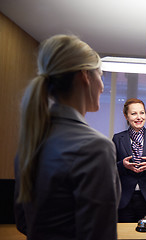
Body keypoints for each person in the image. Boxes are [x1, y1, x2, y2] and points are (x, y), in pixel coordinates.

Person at [13, 35, 121, 240]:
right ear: (85, 76)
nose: (103, 86)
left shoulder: (31, 142)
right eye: (101, 75)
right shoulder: (95, 147)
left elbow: (24, 222)